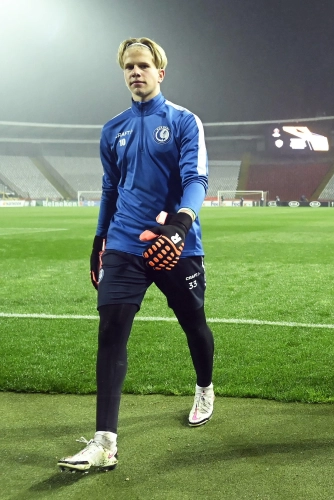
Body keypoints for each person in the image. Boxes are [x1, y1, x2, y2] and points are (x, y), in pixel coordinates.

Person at [58, 37, 215, 472]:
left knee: (194, 323)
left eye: (144, 65)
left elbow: (196, 177)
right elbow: (110, 189)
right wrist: (98, 240)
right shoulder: (113, 129)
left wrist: (181, 225)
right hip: (125, 243)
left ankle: (204, 386)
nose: (135, 72)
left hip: (173, 243)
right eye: (129, 66)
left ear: (159, 72)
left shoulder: (184, 121)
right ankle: (105, 443)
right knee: (110, 333)